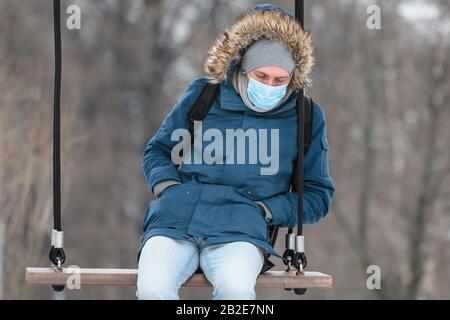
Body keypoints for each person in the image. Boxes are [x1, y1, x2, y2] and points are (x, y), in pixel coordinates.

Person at [136, 3, 335, 300]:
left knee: (236, 292)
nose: (270, 86)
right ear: (243, 67)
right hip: (175, 219)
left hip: (242, 230)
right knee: (152, 289)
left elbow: (317, 194)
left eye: (280, 80)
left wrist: (266, 211)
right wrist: (169, 189)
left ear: (293, 77)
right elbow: (158, 151)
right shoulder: (205, 94)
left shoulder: (305, 116)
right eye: (261, 76)